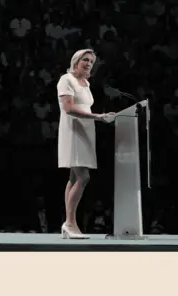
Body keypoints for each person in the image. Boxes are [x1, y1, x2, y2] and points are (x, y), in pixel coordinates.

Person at [57, 49, 116, 239]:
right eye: (85, 60)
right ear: (76, 61)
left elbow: (84, 105)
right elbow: (69, 108)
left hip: (86, 130)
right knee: (83, 177)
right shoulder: (66, 79)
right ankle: (70, 223)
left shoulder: (86, 83)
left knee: (74, 177)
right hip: (74, 131)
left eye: (91, 61)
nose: (89, 63)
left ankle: (68, 224)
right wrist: (98, 116)